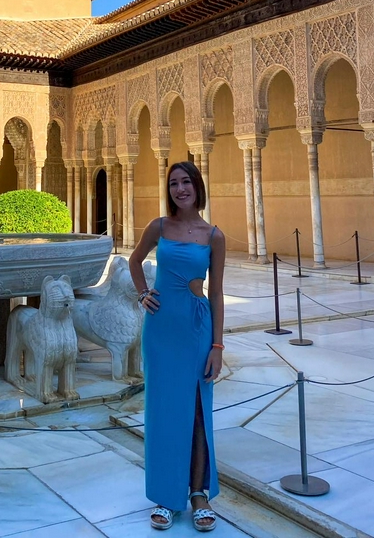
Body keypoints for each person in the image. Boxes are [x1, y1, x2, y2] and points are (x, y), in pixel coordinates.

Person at [129, 161, 225, 532]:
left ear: (197, 186)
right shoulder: (159, 227)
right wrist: (142, 294)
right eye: (173, 183)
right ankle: (167, 496)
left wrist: (217, 345)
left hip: (196, 329)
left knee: (199, 411)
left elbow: (215, 294)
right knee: (164, 412)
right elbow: (135, 261)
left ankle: (199, 494)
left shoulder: (213, 235)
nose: (179, 189)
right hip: (160, 331)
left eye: (186, 182)